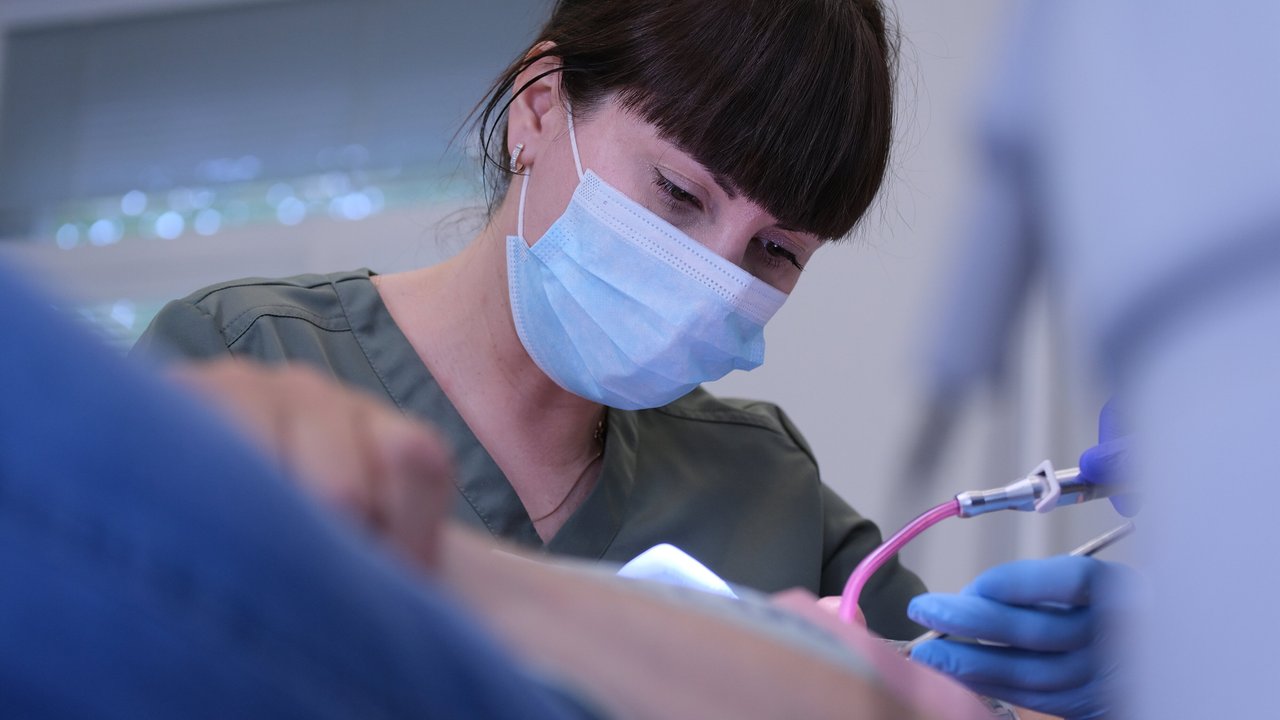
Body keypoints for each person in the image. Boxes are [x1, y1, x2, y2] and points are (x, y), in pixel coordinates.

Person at [133, 0, 926, 640]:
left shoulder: (764, 491)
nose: (717, 281)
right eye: (679, 194)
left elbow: (949, 686)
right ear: (539, 109)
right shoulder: (245, 361)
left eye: (775, 251)